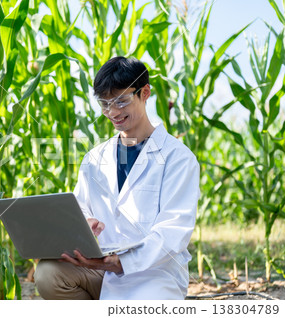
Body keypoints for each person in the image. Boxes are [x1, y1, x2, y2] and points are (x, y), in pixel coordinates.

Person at [34, 57, 200, 300]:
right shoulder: (94, 158)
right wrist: (84, 222)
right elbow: (80, 205)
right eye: (104, 103)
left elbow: (174, 229)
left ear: (144, 93)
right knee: (49, 274)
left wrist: (124, 262)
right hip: (101, 269)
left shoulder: (178, 158)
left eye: (121, 101)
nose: (112, 112)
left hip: (154, 274)